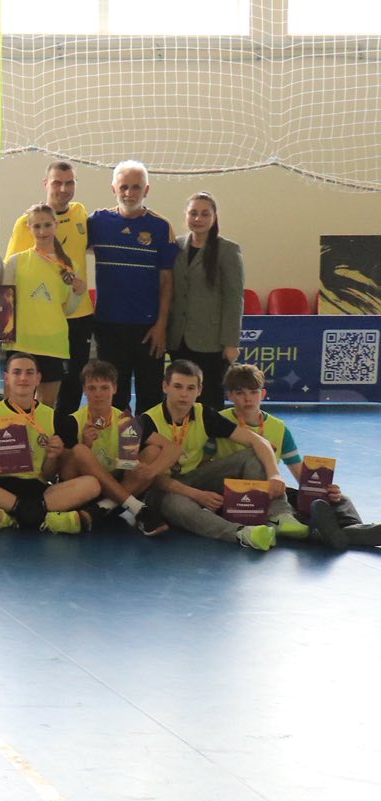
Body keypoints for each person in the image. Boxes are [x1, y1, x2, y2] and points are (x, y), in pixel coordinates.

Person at [221, 362, 381, 547]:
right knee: (287, 515)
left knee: (338, 499)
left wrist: (325, 491)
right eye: (240, 393)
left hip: (272, 490)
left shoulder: (278, 427)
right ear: (230, 396)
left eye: (253, 392)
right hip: (238, 495)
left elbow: (300, 475)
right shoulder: (220, 421)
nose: (248, 398)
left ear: (263, 394)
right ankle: (340, 534)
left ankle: (352, 529)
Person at [141, 359, 283, 550]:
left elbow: (258, 441)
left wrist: (275, 474)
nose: (184, 394)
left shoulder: (205, 414)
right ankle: (242, 533)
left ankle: (270, 517)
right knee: (179, 506)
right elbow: (152, 478)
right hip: (163, 489)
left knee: (253, 454)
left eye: (191, 388)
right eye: (178, 386)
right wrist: (198, 495)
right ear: (165, 387)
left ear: (199, 391)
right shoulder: (147, 421)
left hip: (196, 477)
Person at [0, 352, 104, 533]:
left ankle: (12, 514)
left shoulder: (55, 418)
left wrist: (53, 456)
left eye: (29, 373)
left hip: (38, 491)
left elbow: (49, 475)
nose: (23, 378)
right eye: (17, 372)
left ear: (38, 378)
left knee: (92, 483)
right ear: (7, 378)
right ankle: (33, 513)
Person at [6, 161, 96, 419]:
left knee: (71, 382)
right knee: (24, 388)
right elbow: (10, 279)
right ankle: (18, 433)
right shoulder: (24, 223)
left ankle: (60, 434)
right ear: (46, 184)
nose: (63, 188)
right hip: (35, 323)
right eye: (57, 182)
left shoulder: (80, 212)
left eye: (69, 182)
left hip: (76, 315)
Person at [88, 160, 174, 415]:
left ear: (146, 190)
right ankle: (114, 440)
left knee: (150, 396)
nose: (129, 193)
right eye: (123, 186)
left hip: (149, 329)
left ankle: (148, 440)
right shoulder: (97, 222)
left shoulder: (161, 227)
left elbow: (167, 281)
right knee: (115, 397)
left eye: (136, 187)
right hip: (108, 326)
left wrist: (161, 325)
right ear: (113, 188)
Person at [58, 360, 174, 535]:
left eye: (104, 388)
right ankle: (135, 507)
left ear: (115, 388)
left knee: (152, 452)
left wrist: (150, 470)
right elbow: (64, 473)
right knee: (80, 450)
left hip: (116, 491)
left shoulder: (127, 422)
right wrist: (85, 445)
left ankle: (103, 508)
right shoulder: (72, 421)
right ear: (84, 390)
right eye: (92, 388)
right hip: (83, 489)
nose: (98, 394)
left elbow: (171, 448)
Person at [1, 203, 87, 407]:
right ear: (29, 228)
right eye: (37, 226)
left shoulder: (70, 266)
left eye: (47, 225)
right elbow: (4, 302)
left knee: (46, 406)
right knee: (14, 405)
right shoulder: (15, 262)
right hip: (20, 343)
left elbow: (69, 309)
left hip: (53, 344)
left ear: (56, 225)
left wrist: (78, 292)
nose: (42, 231)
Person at [167, 192, 245, 412]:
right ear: (186, 215)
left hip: (211, 341)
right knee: (181, 397)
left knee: (209, 397)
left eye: (204, 214)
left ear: (214, 217)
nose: (198, 219)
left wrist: (231, 343)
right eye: (193, 213)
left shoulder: (228, 250)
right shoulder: (175, 246)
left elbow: (234, 298)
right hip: (178, 338)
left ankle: (209, 434)